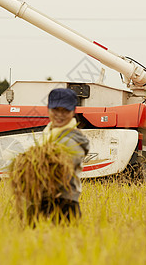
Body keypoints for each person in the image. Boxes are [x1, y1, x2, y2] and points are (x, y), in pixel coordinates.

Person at [37, 88, 90, 223]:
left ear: (73, 111)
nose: (60, 115)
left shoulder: (73, 138)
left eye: (65, 110)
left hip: (65, 201)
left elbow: (65, 167)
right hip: (44, 198)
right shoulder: (48, 132)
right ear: (48, 109)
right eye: (56, 110)